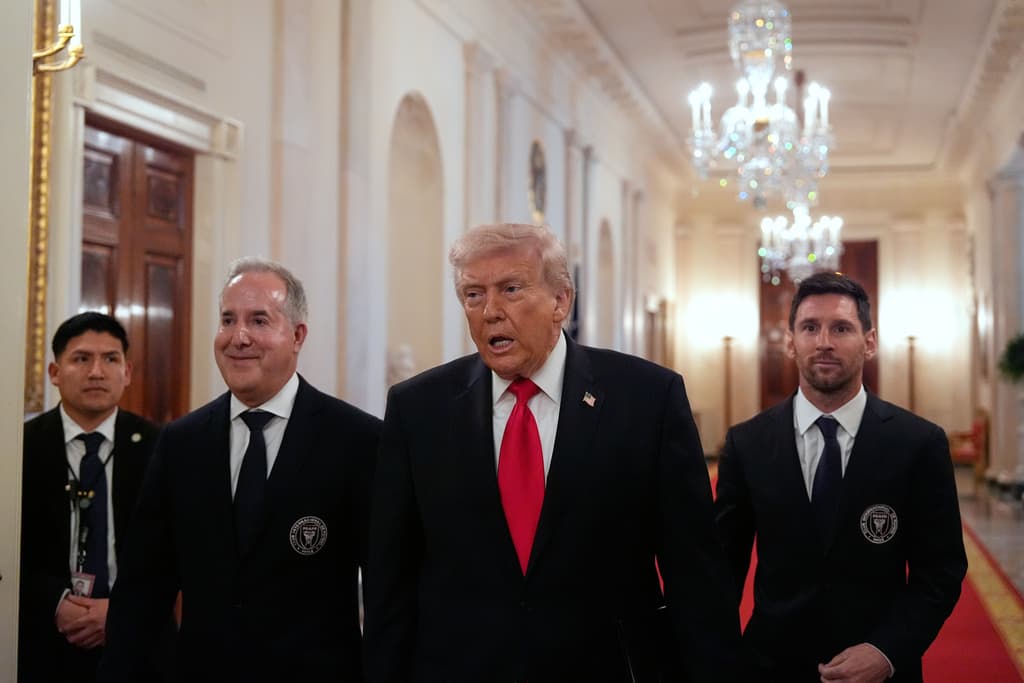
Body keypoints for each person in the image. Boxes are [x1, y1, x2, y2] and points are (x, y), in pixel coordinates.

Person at [364, 223, 740, 682]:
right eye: (473, 294)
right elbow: (391, 582)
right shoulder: (417, 409)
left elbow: (695, 572)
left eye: (511, 289)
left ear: (562, 300)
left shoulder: (648, 399)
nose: (490, 312)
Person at [99, 257, 381, 682]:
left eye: (259, 321)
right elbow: (143, 585)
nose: (238, 337)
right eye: (228, 320)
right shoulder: (180, 442)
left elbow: (385, 590)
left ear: (297, 335)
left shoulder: (357, 439)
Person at [714, 272, 968, 682]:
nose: (824, 342)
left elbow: (941, 571)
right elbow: (722, 570)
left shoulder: (918, 443)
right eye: (810, 328)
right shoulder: (747, 444)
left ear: (869, 343)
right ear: (791, 342)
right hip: (771, 666)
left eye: (842, 328)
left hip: (882, 670)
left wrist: (887, 651)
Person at [18, 312, 162, 682]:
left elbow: (173, 550)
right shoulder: (19, 447)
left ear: (127, 372)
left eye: (110, 359)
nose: (97, 372)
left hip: (137, 644)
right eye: (81, 359)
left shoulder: (161, 446)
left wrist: (120, 610)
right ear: (54, 372)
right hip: (41, 641)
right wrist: (56, 603)